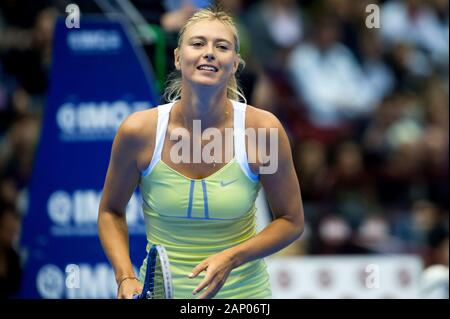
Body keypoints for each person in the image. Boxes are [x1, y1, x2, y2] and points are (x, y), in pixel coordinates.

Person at [98, 7, 304, 299]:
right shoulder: (139, 131)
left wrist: (233, 256)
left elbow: (291, 221)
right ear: (178, 58)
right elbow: (109, 211)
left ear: (234, 64)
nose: (209, 52)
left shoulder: (263, 131)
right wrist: (125, 276)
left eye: (222, 47)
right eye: (197, 44)